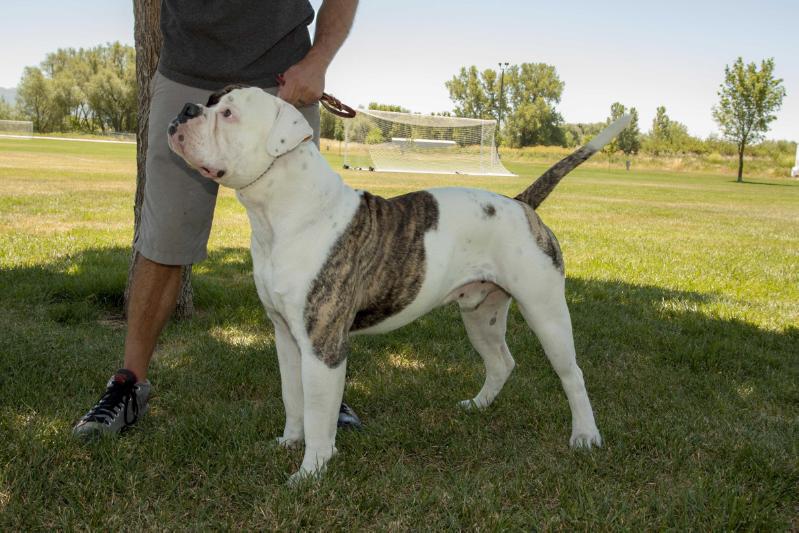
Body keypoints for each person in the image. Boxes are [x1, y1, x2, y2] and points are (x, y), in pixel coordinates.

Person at [73, 0, 361, 437]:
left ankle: (323, 394)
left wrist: (317, 62)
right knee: (164, 240)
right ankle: (129, 384)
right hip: (186, 74)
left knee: (315, 250)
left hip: (283, 81)